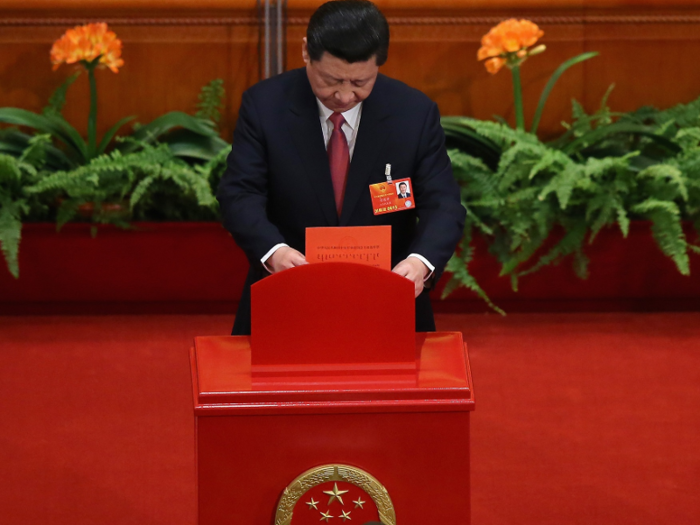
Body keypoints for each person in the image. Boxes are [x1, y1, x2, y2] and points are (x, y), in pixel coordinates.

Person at [217, 0, 465, 335]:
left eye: (360, 82)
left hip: (389, 296)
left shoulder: (414, 113)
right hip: (287, 293)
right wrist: (273, 252)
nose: (344, 95)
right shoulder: (265, 106)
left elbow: (444, 204)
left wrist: (419, 263)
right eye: (332, 80)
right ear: (306, 52)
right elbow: (239, 193)